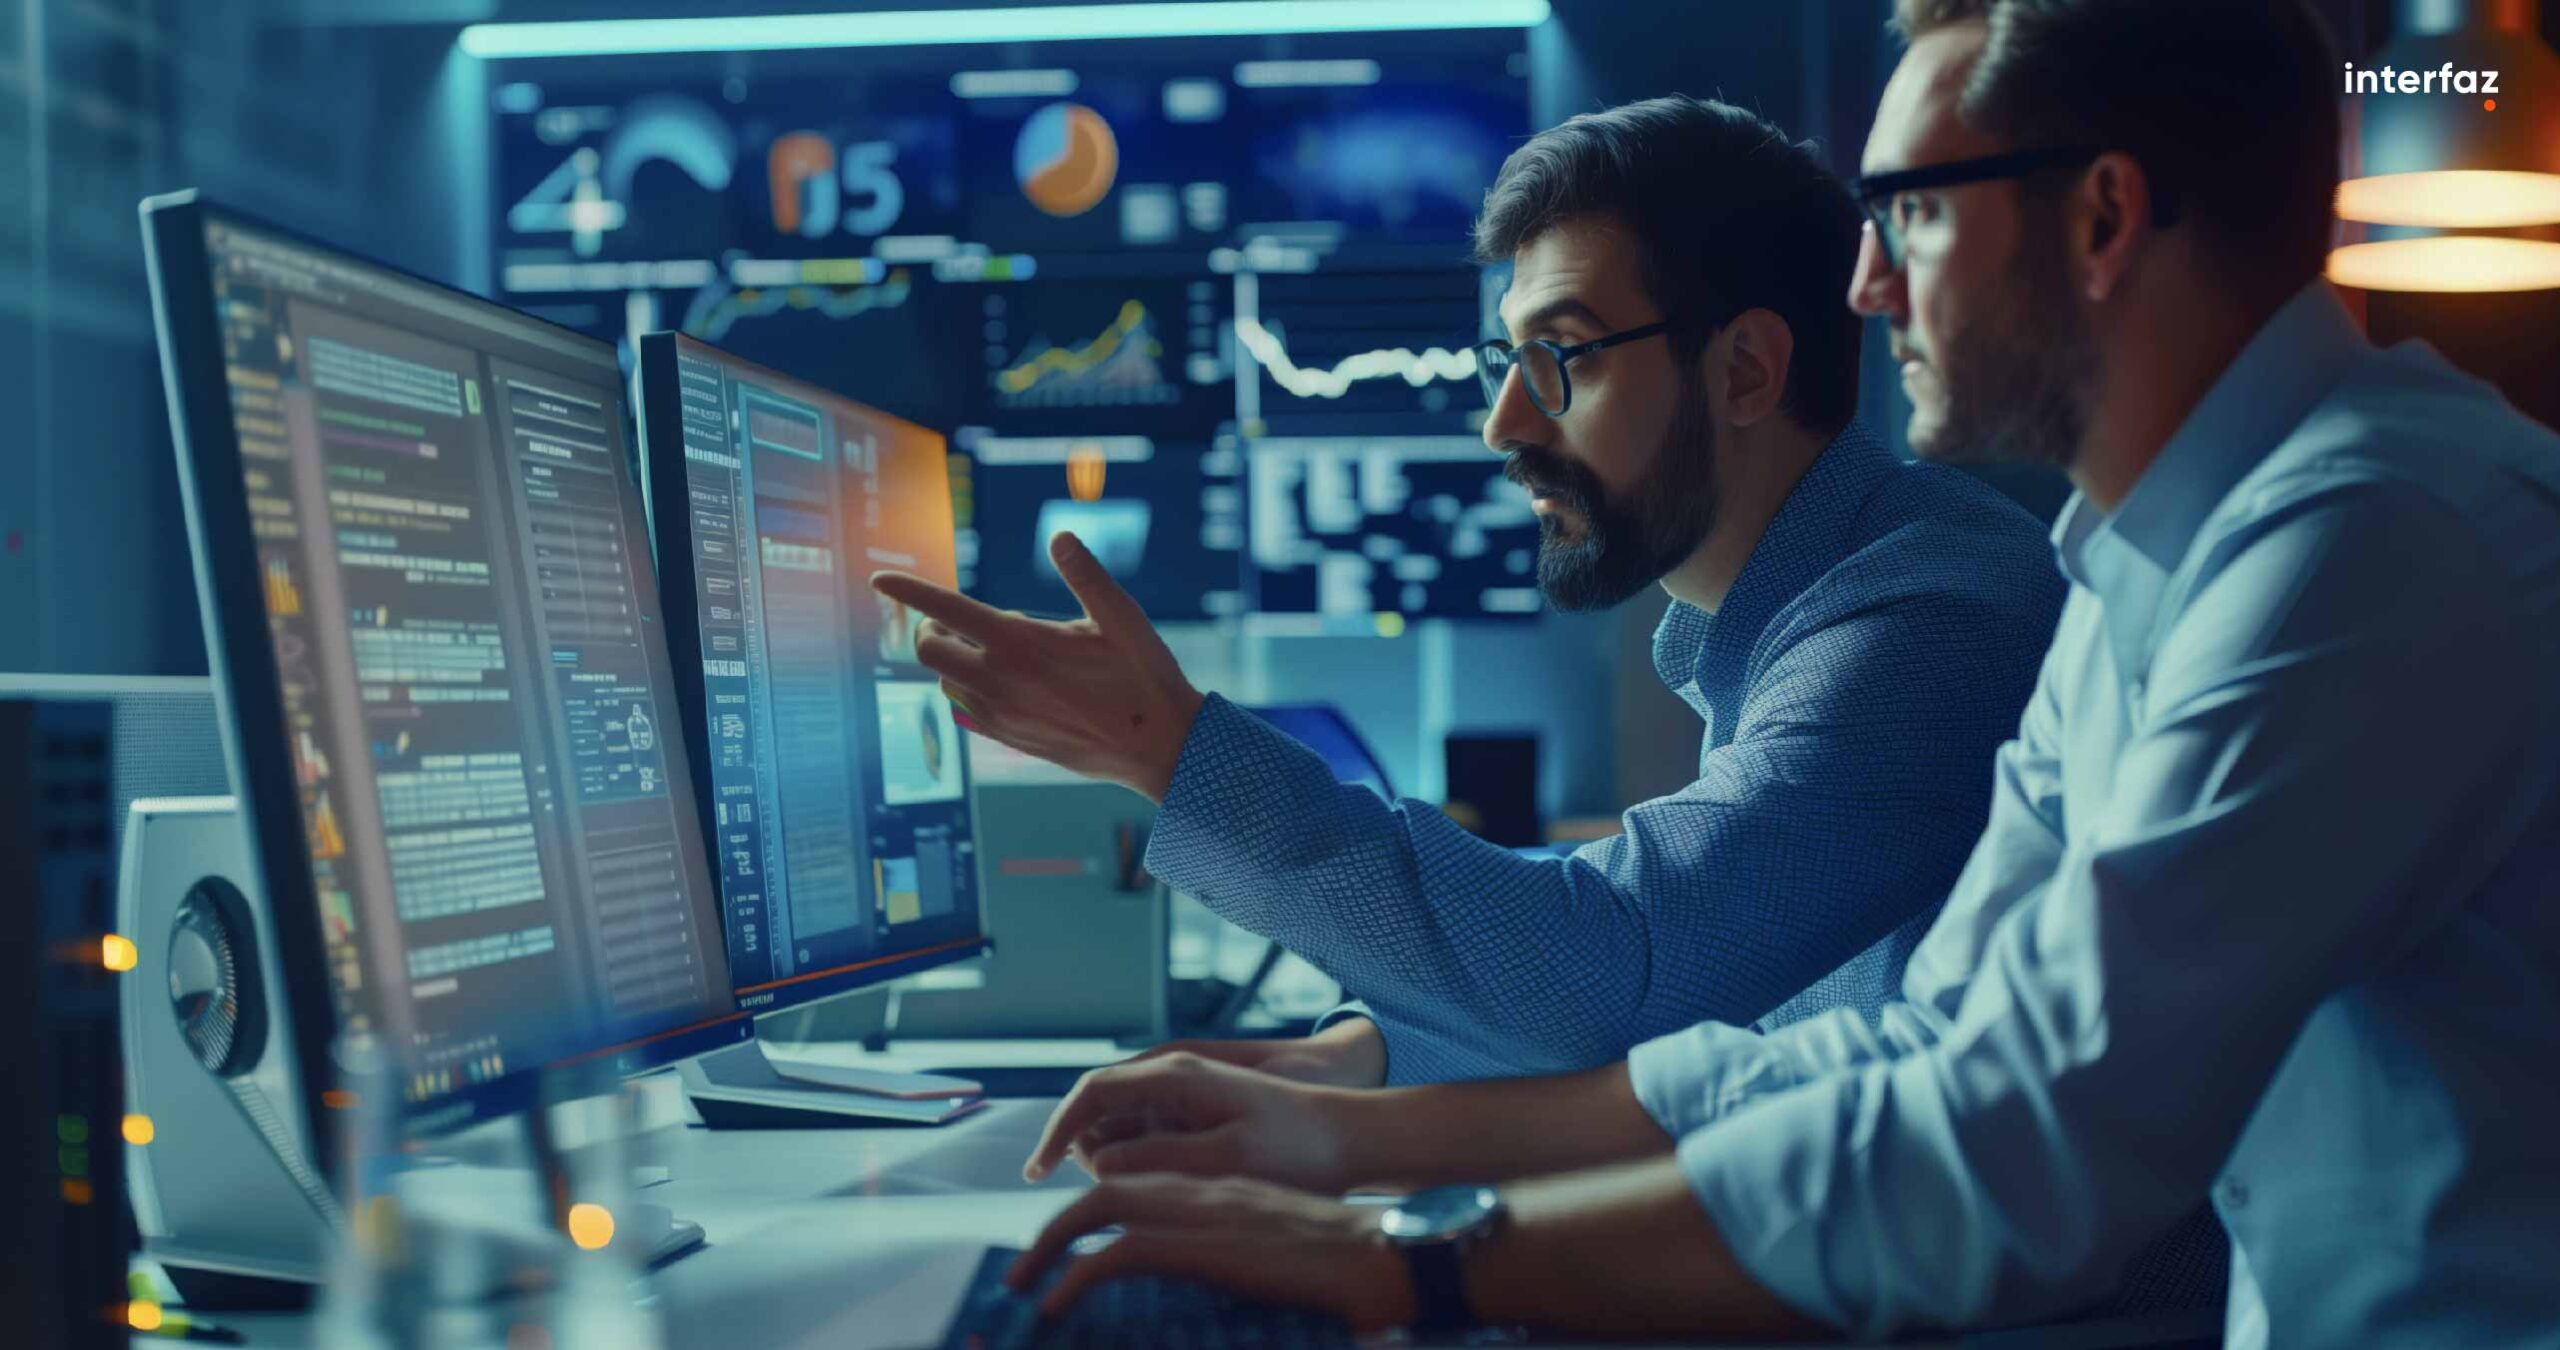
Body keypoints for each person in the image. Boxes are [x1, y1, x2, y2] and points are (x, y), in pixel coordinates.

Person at [977, 0, 2560, 1343]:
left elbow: (2013, 1134)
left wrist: (1411, 1251)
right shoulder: (2142, 565)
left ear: (2100, 218)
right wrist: (1349, 1122)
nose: (1871, 287)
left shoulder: (2363, 548)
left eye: (1916, 211)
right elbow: (1910, 1044)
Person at [875, 96, 2064, 1089]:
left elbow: (1621, 974)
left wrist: (1170, 749)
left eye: (1560, 356)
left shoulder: (1923, 623)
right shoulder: (1812, 607)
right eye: (1507, 360)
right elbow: (1681, 986)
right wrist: (1366, 1060)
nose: (1504, 422)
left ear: (1746, 367)